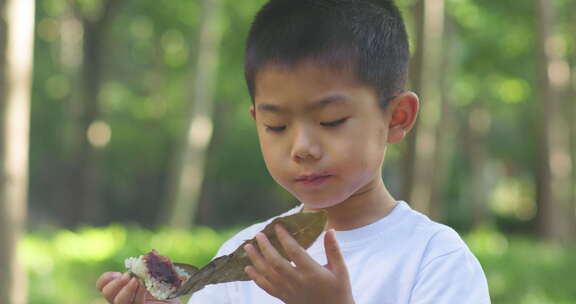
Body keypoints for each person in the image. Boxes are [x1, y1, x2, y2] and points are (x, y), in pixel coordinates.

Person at [96, 0, 491, 303]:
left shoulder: (434, 261)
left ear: (397, 117)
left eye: (331, 120)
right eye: (277, 126)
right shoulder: (246, 258)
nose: (302, 147)